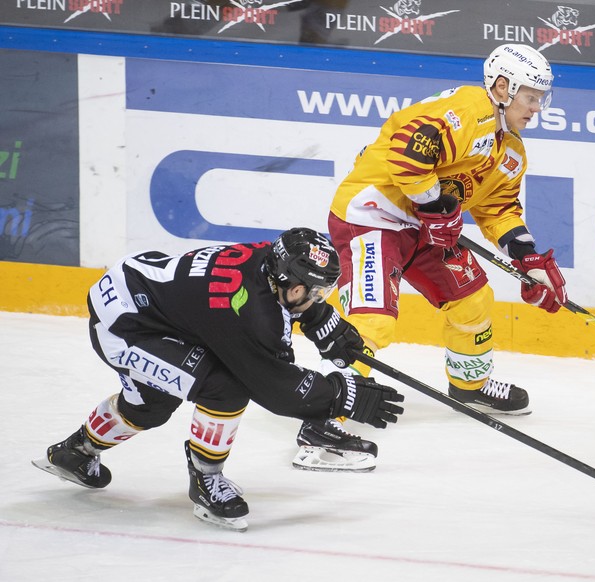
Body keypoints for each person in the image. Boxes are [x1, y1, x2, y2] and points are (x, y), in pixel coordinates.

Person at [292, 44, 567, 472]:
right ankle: (322, 421)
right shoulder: (467, 110)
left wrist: (527, 257)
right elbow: (407, 151)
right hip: (373, 216)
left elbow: (498, 210)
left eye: (540, 98)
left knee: (472, 300)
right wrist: (437, 206)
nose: (536, 107)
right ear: (501, 87)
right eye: (531, 96)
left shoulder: (511, 151)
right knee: (373, 320)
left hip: (424, 229)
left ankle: (469, 385)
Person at [32, 228, 404, 531]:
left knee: (150, 406)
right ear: (290, 282)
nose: (319, 297)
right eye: (315, 292)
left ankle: (74, 453)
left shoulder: (268, 258)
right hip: (127, 325)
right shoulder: (253, 318)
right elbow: (278, 389)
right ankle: (205, 481)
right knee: (224, 387)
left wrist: (321, 319)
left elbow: (279, 319)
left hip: (142, 296)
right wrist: (340, 394)